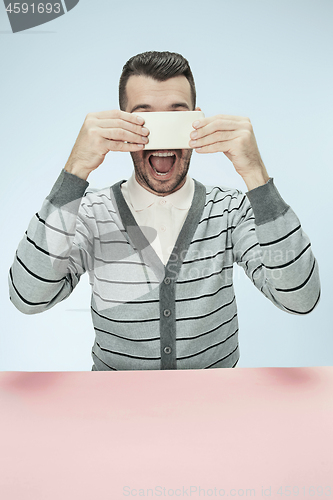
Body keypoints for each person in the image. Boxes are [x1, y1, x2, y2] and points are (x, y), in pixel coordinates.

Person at [8, 51, 320, 371]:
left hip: (217, 410)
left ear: (196, 122)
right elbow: (29, 297)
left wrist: (256, 175)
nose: (161, 135)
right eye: (144, 118)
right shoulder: (90, 214)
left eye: (176, 116)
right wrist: (74, 173)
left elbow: (300, 298)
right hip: (112, 412)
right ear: (121, 124)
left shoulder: (230, 210)